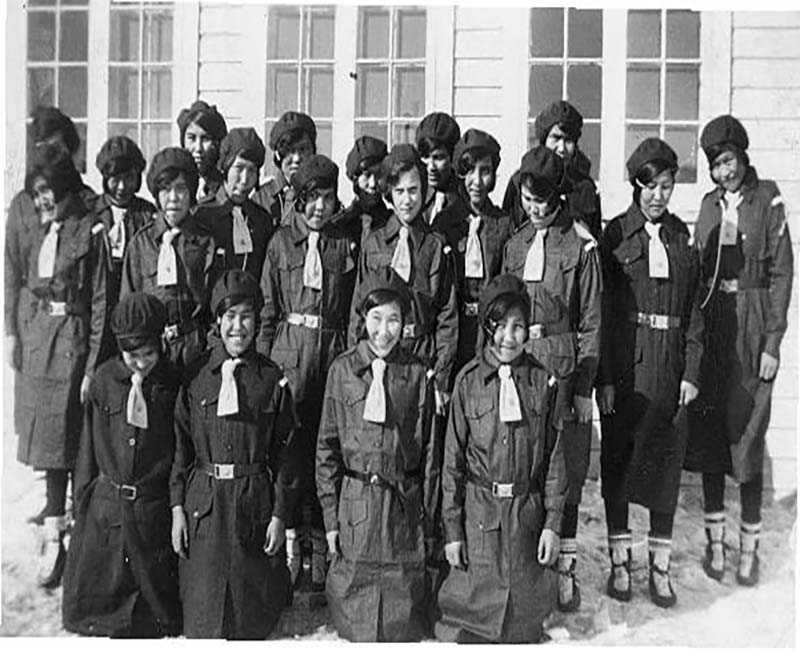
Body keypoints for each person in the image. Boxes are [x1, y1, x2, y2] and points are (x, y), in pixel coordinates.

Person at [685, 115, 794, 586]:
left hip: (751, 324)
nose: (723, 172)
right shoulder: (709, 205)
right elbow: (698, 267)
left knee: (747, 432)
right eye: (715, 165)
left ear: (743, 157)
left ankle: (750, 548)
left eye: (728, 161)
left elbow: (782, 274)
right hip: (714, 326)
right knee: (711, 433)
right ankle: (716, 542)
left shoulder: (767, 199)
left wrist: (772, 342)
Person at [596, 138, 704, 608]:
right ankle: (620, 562)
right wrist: (604, 377)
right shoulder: (616, 236)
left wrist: (691, 372)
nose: (658, 195)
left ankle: (660, 567)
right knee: (619, 460)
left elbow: (696, 312)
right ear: (636, 185)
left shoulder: (681, 237)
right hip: (627, 365)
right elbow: (601, 311)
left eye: (666, 186)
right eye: (650, 186)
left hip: (671, 367)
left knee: (666, 463)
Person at [436, 274, 565, 643]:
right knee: (474, 620)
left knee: (521, 625)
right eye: (500, 326)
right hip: (480, 518)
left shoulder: (543, 382)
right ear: (487, 327)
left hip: (525, 517)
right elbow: (452, 464)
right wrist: (453, 532)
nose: (509, 337)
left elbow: (555, 460)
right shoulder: (468, 382)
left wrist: (552, 524)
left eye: (518, 326)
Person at [170, 269, 299, 639]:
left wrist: (279, 515)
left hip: (251, 505)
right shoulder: (196, 376)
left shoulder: (272, 380)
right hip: (205, 506)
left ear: (257, 321)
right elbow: (181, 450)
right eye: (229, 316)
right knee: (203, 617)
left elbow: (286, 457)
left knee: (249, 620)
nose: (237, 327)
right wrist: (177, 509)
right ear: (217, 321)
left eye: (246, 316)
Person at [501, 146, 602, 612]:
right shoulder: (516, 244)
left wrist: (584, 387)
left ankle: (565, 568)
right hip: (521, 363)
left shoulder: (580, 245)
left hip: (562, 366)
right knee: (528, 463)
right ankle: (527, 565)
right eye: (527, 199)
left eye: (541, 200)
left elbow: (592, 323)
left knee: (565, 469)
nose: (534, 208)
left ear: (558, 195)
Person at [316, 267, 439, 641]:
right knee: (355, 612)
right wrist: (332, 519)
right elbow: (327, 449)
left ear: (405, 323)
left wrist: (427, 520)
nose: (384, 331)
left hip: (402, 504)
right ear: (363, 319)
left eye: (394, 320)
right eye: (376, 318)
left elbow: (430, 454)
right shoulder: (342, 371)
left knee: (401, 616)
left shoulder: (417, 374)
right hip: (356, 505)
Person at [257, 154, 358, 597]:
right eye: (311, 198)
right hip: (289, 353)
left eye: (327, 198)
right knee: (291, 450)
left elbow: (353, 306)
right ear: (298, 199)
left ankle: (321, 544)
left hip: (331, 351)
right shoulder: (281, 243)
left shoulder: (342, 243)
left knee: (325, 448)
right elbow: (268, 309)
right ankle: (291, 542)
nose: (319, 207)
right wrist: (265, 369)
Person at [14, 144, 108, 588]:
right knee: (48, 449)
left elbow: (101, 303)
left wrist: (91, 366)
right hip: (41, 347)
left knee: (74, 447)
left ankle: (79, 540)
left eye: (47, 190)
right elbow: (27, 287)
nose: (42, 200)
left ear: (64, 186)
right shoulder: (38, 231)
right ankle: (53, 537)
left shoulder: (90, 231)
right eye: (36, 193)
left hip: (73, 344)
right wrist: (24, 335)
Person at [62, 293, 181, 637]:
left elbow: (180, 450)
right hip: (108, 510)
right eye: (132, 356)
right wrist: (81, 500)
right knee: (96, 607)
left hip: (151, 511)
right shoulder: (103, 381)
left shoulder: (172, 384)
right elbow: (87, 449)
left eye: (149, 354)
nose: (141, 364)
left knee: (157, 612)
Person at [6, 107, 96, 466]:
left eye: (58, 147)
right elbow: (12, 270)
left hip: (69, 326)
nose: (51, 154)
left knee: (68, 421)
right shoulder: (23, 204)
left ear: (71, 150)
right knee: (37, 419)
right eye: (43, 147)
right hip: (33, 323)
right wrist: (12, 332)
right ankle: (49, 491)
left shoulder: (84, 204)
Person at [349, 143, 458, 419]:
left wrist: (440, 379)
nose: (407, 200)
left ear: (424, 191)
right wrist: (357, 370)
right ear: (389, 193)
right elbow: (358, 312)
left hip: (421, 356)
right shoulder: (374, 244)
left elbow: (447, 317)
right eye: (399, 192)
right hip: (380, 352)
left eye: (413, 190)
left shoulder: (436, 246)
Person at [121, 147, 216, 369]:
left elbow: (213, 303)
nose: (173, 198)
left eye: (181, 188)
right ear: (156, 194)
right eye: (165, 189)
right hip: (151, 352)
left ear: (191, 192)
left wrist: (208, 346)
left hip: (195, 348)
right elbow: (128, 304)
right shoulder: (140, 245)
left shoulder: (205, 242)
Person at [433, 128, 513, 374]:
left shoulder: (503, 224)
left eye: (485, 171)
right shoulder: (444, 223)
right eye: (469, 171)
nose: (477, 181)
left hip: (489, 330)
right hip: (453, 328)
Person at [92, 136, 157, 364]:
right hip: (98, 313)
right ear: (105, 178)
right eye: (115, 179)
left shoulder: (148, 214)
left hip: (133, 315)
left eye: (128, 178)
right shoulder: (90, 213)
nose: (122, 187)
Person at [503, 100, 602, 238]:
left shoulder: (585, 188)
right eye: (556, 138)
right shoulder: (520, 181)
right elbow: (507, 232)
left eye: (568, 140)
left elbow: (593, 236)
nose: (561, 148)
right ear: (544, 139)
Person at [196, 127, 273, 282]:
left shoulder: (262, 221)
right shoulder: (203, 215)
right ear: (225, 167)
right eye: (239, 168)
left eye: (252, 170)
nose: (244, 180)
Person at [252, 111, 317, 228]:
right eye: (290, 151)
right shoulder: (261, 199)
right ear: (278, 156)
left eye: (303, 150)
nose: (297, 158)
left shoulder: (321, 197)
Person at [329, 135, 390, 247]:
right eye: (367, 175)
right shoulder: (339, 226)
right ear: (355, 179)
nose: (372, 184)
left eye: (378, 175)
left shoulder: (392, 224)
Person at [416, 111, 464, 225]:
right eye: (425, 157)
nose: (431, 167)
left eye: (438, 158)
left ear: (453, 157)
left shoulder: (465, 199)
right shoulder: (414, 195)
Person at [176, 100, 228, 204]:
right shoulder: (175, 183)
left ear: (216, 143)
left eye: (205, 139)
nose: (198, 148)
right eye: (192, 138)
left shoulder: (225, 187)